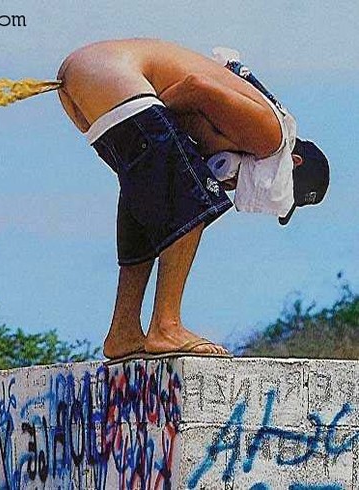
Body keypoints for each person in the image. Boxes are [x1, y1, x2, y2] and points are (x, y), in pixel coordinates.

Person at [56, 38, 329, 359]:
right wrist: (164, 130)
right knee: (193, 197)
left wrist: (174, 144)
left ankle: (123, 331)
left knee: (151, 199)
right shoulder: (273, 135)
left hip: (89, 79)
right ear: (293, 164)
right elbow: (196, 87)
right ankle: (166, 326)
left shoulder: (245, 137)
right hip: (115, 74)